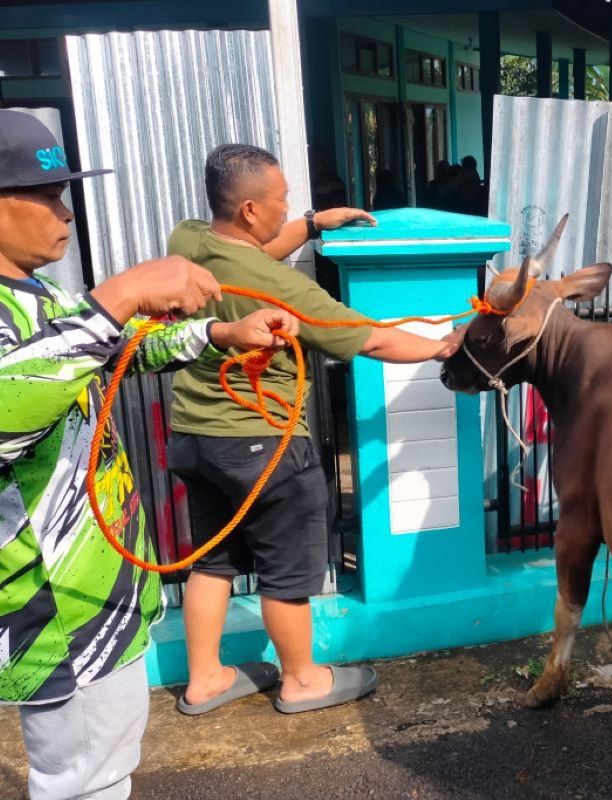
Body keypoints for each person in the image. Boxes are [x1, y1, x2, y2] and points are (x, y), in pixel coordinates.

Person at [0, 111, 297, 800]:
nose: (64, 212)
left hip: (100, 597)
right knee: (82, 783)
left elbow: (110, 349)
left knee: (105, 773)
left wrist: (221, 331)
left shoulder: (38, 296)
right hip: (52, 611)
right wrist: (122, 293)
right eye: (45, 195)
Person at [166, 143, 465, 716]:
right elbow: (371, 337)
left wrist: (310, 225)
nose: (289, 209)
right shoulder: (285, 290)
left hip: (196, 437)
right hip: (263, 443)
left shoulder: (190, 241)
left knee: (213, 560)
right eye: (282, 201)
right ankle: (302, 680)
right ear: (250, 209)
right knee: (287, 570)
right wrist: (443, 345)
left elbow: (251, 254)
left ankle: (204, 679)